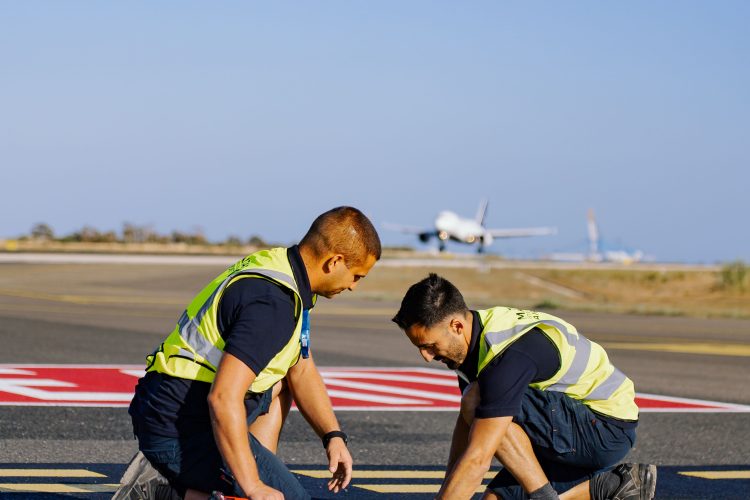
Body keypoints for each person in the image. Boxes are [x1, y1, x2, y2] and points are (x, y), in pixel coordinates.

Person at [119, 206, 381, 500]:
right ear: (334, 261)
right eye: (356, 276)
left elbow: (300, 367)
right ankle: (165, 486)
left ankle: (215, 483)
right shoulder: (273, 304)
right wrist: (254, 486)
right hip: (178, 424)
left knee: (279, 381)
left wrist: (332, 436)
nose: (354, 287)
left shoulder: (285, 269)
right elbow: (222, 398)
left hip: (172, 402)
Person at [391, 274, 657, 500]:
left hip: (602, 429)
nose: (426, 356)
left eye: (429, 345)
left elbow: (479, 456)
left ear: (456, 326)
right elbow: (467, 425)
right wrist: (448, 488)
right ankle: (616, 485)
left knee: (479, 398)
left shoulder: (507, 357)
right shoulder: (470, 342)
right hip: (566, 430)